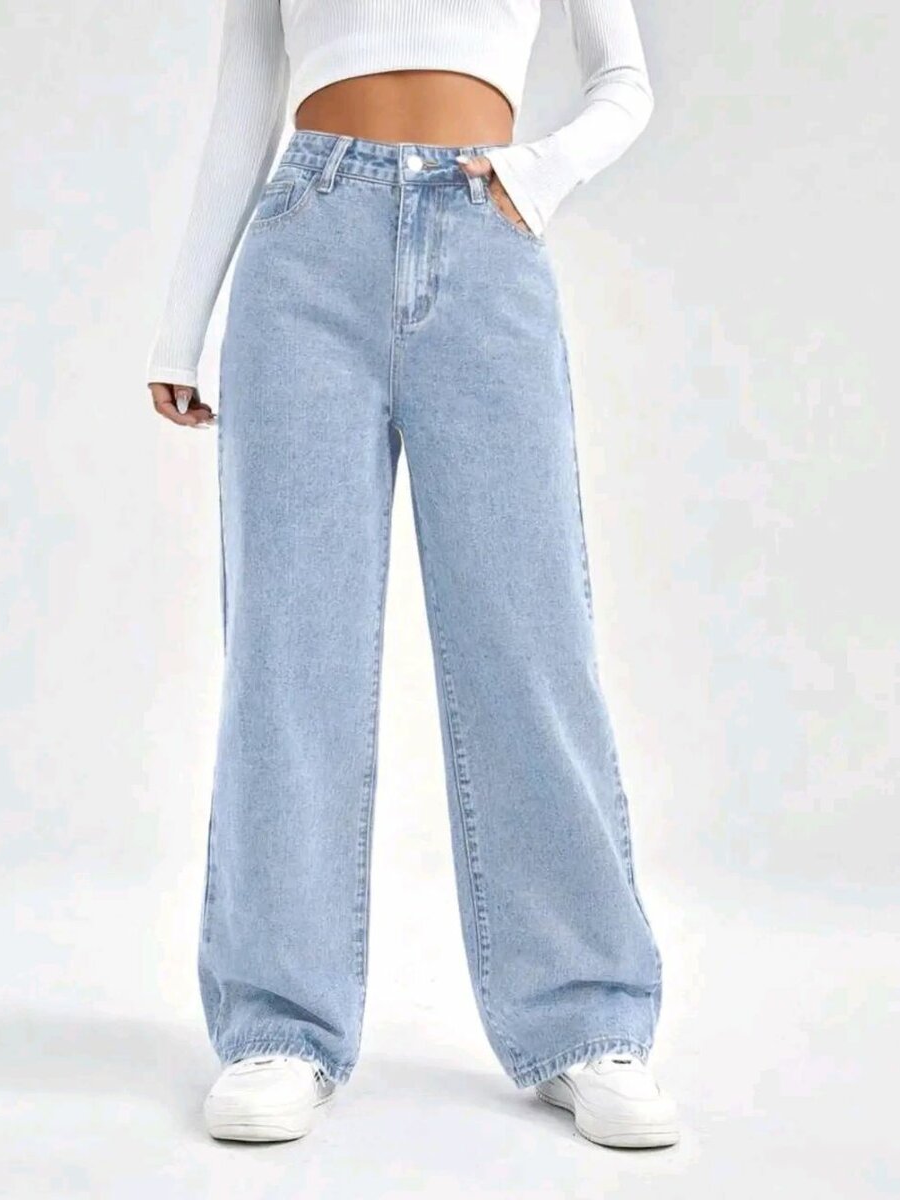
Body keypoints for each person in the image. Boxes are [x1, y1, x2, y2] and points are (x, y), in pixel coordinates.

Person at [146, 0, 679, 1150]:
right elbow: (245, 103)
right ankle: (277, 1025)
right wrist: (180, 326)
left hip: (487, 238)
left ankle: (584, 1020)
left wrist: (538, 172)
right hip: (304, 250)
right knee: (290, 656)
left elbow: (623, 82)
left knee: (528, 648)